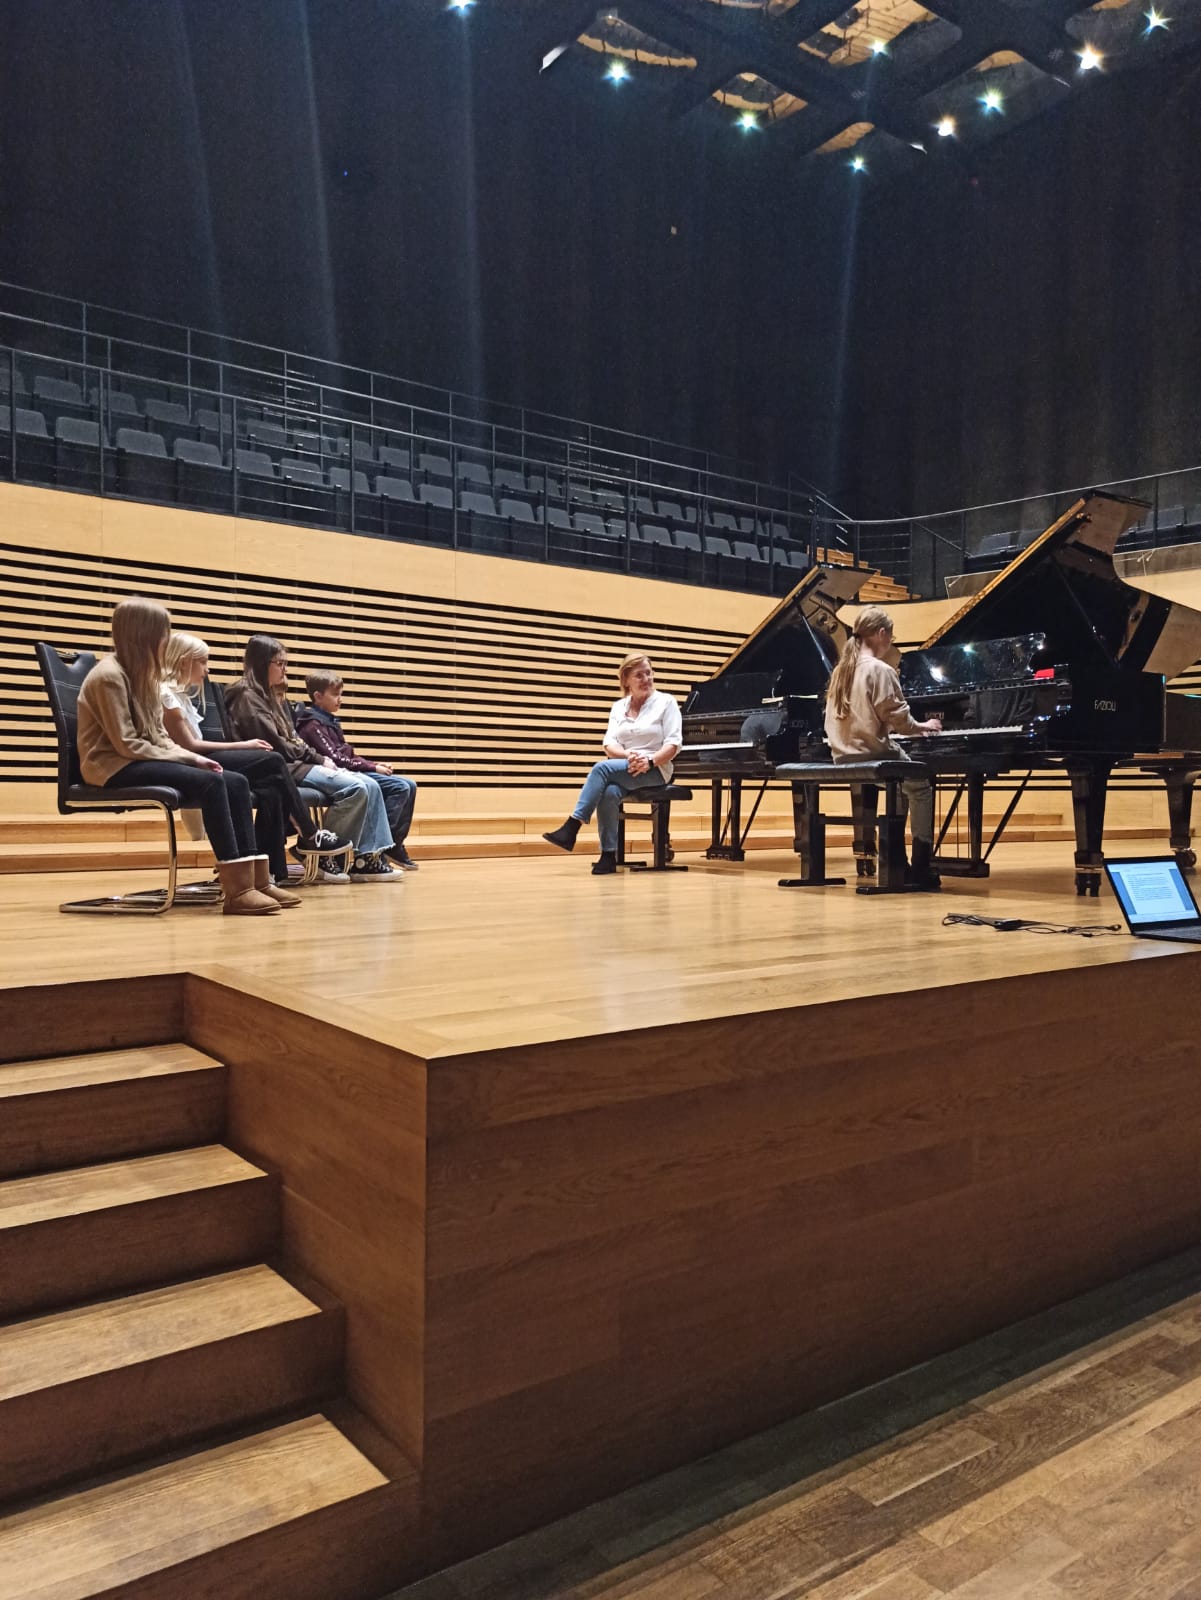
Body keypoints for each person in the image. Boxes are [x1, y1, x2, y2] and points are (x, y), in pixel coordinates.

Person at [76, 597, 286, 915]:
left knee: (237, 782)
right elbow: (127, 744)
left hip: (139, 759)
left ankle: (255, 881)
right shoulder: (109, 676)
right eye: (162, 633)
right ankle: (237, 891)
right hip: (112, 766)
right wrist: (189, 759)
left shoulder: (144, 676)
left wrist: (189, 757)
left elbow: (158, 737)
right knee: (212, 782)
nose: (166, 640)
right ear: (143, 635)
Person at [160, 632, 353, 890]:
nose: (207, 670)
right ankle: (309, 834)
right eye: (203, 662)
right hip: (188, 762)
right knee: (273, 762)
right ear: (184, 661)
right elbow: (191, 746)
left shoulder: (184, 695)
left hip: (202, 758)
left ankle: (267, 874)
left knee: (271, 789)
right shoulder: (169, 695)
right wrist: (243, 745)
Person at [224, 635, 400, 880]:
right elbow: (278, 744)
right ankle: (322, 855)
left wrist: (316, 757)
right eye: (280, 663)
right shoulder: (247, 695)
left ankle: (363, 857)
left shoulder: (268, 695)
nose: (285, 670)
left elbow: (292, 738)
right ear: (262, 663)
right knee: (356, 788)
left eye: (285, 663)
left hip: (296, 763)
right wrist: (318, 758)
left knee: (370, 785)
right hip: (283, 767)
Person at [823, 605, 943, 890]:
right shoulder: (881, 670)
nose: (890, 642)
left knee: (900, 787)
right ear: (880, 633)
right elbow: (900, 721)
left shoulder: (841, 670)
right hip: (871, 754)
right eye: (891, 636)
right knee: (920, 785)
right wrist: (923, 726)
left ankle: (896, 861)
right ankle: (922, 866)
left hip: (842, 755)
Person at [542, 652, 682, 875]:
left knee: (601, 768)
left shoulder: (667, 702)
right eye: (639, 675)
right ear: (626, 680)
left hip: (656, 769)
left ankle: (573, 825)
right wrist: (627, 755)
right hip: (626, 765)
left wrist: (649, 761)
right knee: (609, 792)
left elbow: (673, 744)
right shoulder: (618, 707)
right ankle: (608, 856)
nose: (646, 679)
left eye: (649, 673)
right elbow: (609, 744)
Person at [295, 671, 419, 870]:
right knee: (399, 787)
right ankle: (376, 849)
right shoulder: (312, 724)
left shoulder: (329, 721)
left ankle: (393, 844)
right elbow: (337, 759)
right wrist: (372, 767)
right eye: (335, 695)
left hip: (348, 769)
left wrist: (374, 764)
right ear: (318, 696)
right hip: (336, 774)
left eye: (341, 694)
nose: (340, 699)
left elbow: (348, 754)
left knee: (410, 784)